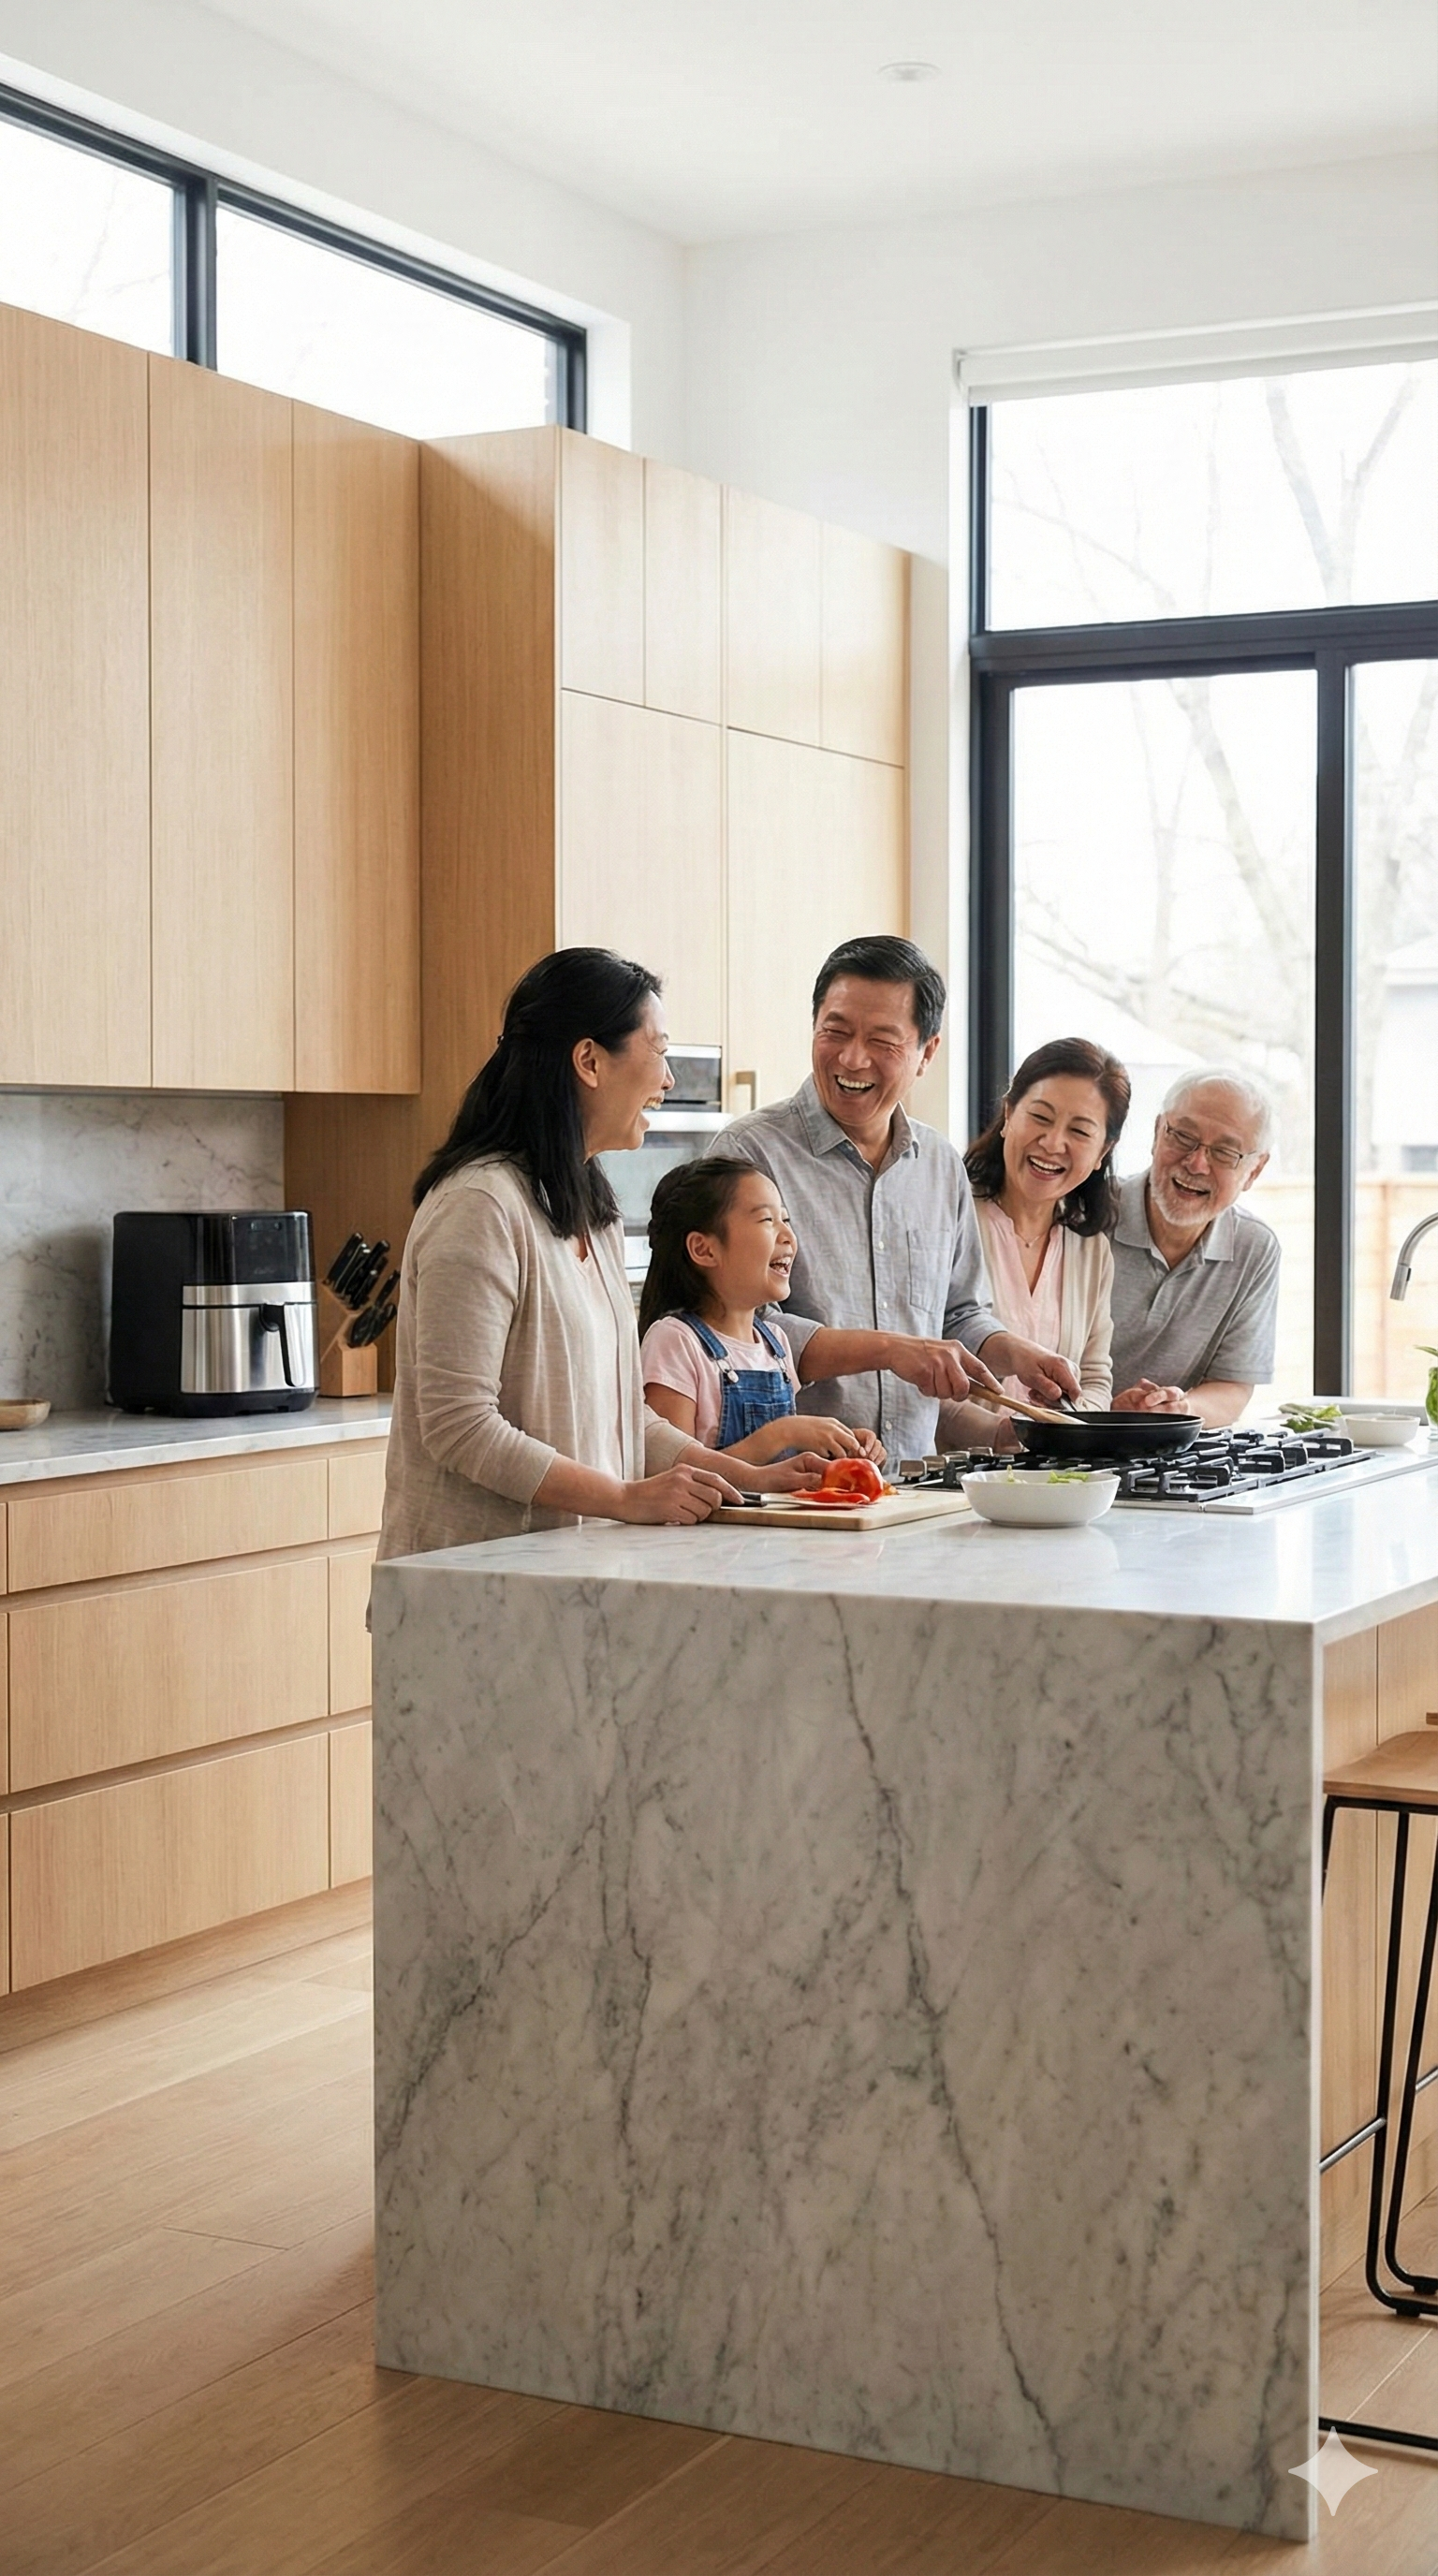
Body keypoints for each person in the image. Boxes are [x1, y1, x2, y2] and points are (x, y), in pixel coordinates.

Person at [377, 950, 821, 1562]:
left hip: (571, 1576)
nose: (668, 1079)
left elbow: (621, 1418)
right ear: (589, 1060)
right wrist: (621, 1497)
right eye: (659, 1051)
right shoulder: (480, 1206)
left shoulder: (594, 1211)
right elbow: (460, 1426)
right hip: (471, 1585)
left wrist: (746, 1478)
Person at [718, 934, 1080, 1461]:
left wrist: (1014, 1353)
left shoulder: (937, 1162)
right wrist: (891, 1350)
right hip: (792, 1490)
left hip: (910, 1483)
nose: (852, 1058)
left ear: (926, 1052)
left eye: (883, 1042)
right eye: (834, 1031)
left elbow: (957, 1314)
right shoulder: (749, 1153)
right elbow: (731, 1327)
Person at [638, 1156, 888, 1464]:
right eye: (767, 1221)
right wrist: (782, 1433)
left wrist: (841, 1449)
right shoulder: (675, 1341)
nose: (788, 1237)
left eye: (786, 1220)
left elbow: (782, 1466)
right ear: (704, 1249)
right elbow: (670, 1472)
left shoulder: (776, 1343)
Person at [963, 1037, 1131, 1409]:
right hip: (962, 1463)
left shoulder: (1091, 1248)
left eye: (1080, 1131)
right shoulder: (951, 1218)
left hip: (1057, 1466)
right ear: (1008, 1115)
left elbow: (1095, 1378)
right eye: (1040, 1117)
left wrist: (1066, 1428)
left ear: (1103, 1151)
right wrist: (1007, 1435)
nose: (1053, 1143)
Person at [1108, 1070, 1281, 1429]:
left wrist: (1177, 1410)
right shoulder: (1088, 1214)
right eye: (1183, 1137)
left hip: (1165, 1450)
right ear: (1158, 1133)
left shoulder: (1255, 1248)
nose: (1196, 1163)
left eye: (1224, 1152)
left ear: (1254, 1170)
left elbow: (1231, 1386)